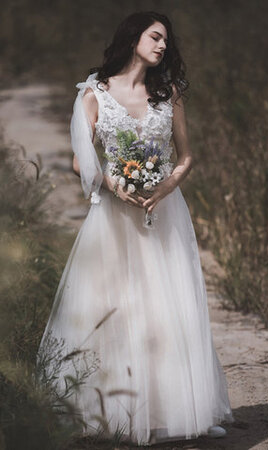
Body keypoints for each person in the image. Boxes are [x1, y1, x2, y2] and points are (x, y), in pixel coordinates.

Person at [36, 10, 234, 446]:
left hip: (163, 213)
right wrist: (114, 184)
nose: (163, 46)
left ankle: (180, 410)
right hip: (114, 215)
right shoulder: (94, 93)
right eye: (156, 37)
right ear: (133, 38)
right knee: (115, 308)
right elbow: (79, 159)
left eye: (166, 41)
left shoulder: (169, 94)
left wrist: (163, 187)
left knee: (166, 308)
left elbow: (185, 157)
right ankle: (110, 411)